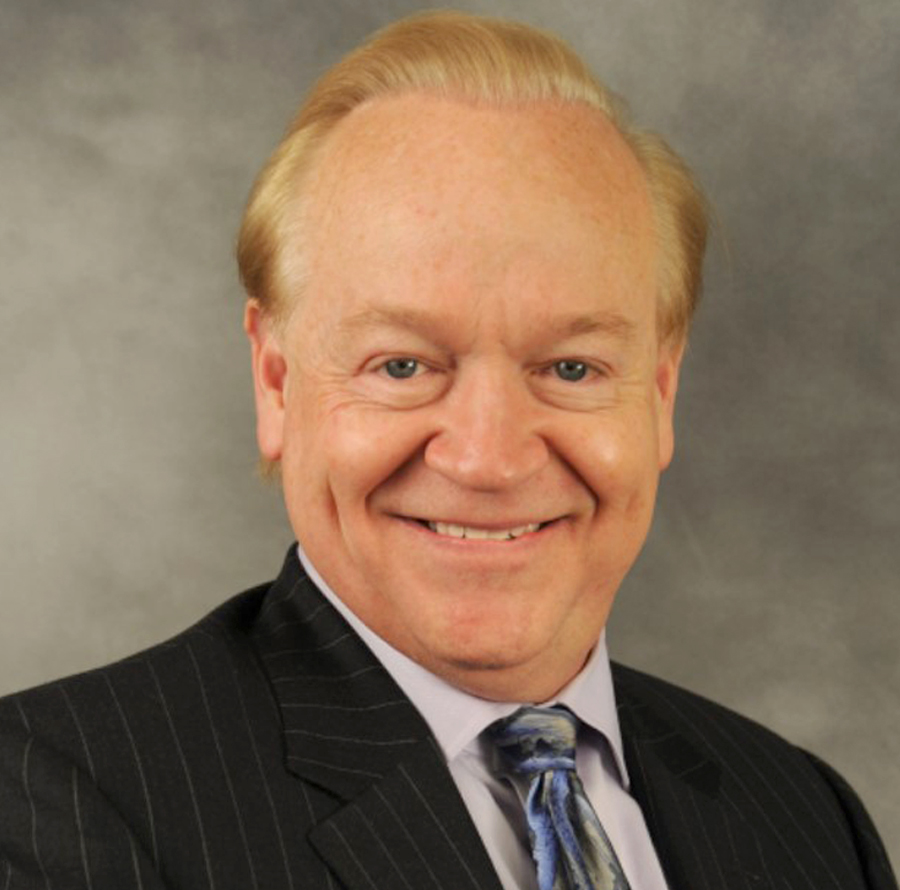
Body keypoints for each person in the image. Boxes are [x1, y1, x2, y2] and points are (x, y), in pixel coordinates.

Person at [0, 11, 894, 890]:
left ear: (660, 393)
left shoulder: (806, 818)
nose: (488, 459)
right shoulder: (54, 803)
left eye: (572, 368)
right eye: (402, 365)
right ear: (276, 384)